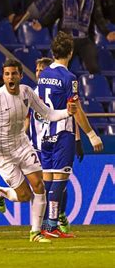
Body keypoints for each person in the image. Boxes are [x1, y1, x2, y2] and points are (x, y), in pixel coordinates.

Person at [0, 58, 78, 243]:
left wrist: (67, 112)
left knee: (39, 186)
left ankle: (35, 233)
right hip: (2, 153)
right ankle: (0, 192)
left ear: (20, 75)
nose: (10, 77)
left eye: (13, 73)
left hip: (22, 145)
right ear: (3, 77)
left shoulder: (27, 92)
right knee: (24, 195)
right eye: (7, 74)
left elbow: (48, 114)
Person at [36, 31, 103, 238]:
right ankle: (51, 226)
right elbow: (75, 109)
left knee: (48, 179)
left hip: (43, 132)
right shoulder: (69, 77)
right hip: (62, 131)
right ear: (71, 53)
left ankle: (45, 225)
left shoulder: (43, 74)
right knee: (60, 180)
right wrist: (91, 134)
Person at [32, 0, 115, 74]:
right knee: (60, 69)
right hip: (66, 40)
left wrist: (107, 33)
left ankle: (97, 88)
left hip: (85, 39)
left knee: (94, 68)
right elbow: (53, 14)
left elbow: (99, 19)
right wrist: (42, 24)